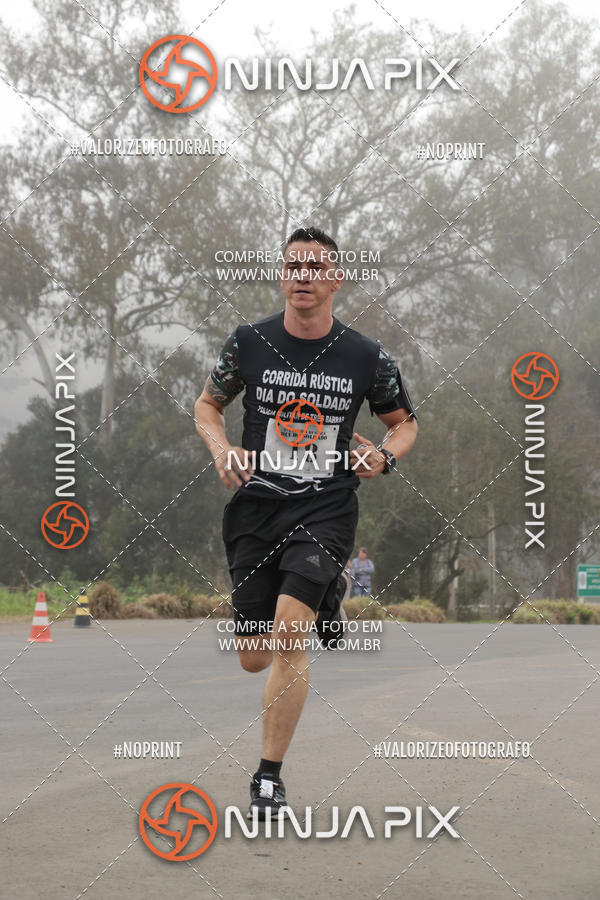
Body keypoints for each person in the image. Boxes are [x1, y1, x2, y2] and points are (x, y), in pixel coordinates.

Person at [194, 226, 418, 819]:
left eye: (316, 266)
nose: (303, 275)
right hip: (257, 508)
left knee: (291, 633)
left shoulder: (366, 356)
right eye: (293, 265)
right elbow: (207, 405)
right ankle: (331, 593)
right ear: (282, 274)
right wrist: (221, 450)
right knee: (253, 655)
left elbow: (404, 422)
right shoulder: (249, 342)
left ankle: (268, 776)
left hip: (326, 506)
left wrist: (385, 455)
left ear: (335, 279)